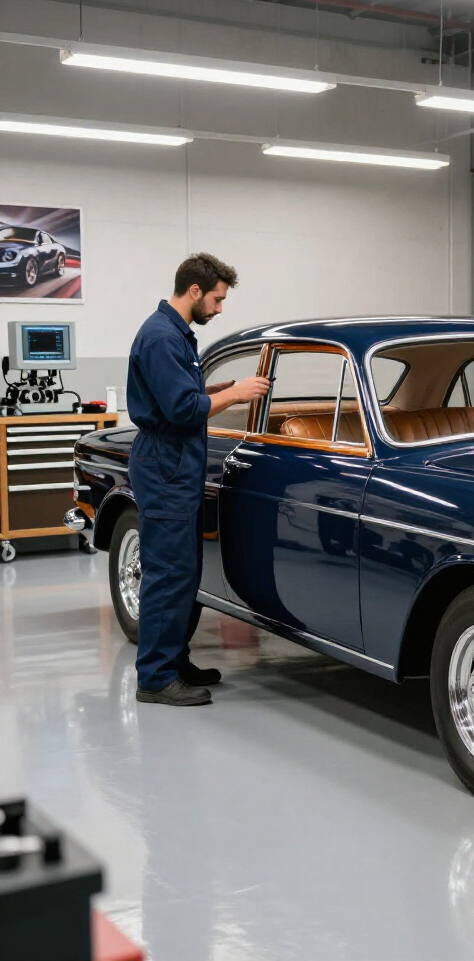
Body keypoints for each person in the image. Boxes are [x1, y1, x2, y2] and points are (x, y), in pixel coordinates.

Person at [128, 253, 270, 707]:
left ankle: (173, 661)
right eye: (217, 299)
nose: (220, 308)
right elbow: (182, 410)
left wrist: (214, 390)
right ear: (194, 291)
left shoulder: (176, 335)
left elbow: (185, 396)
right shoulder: (161, 338)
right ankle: (154, 677)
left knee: (184, 572)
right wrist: (234, 394)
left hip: (177, 462)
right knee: (167, 574)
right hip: (164, 463)